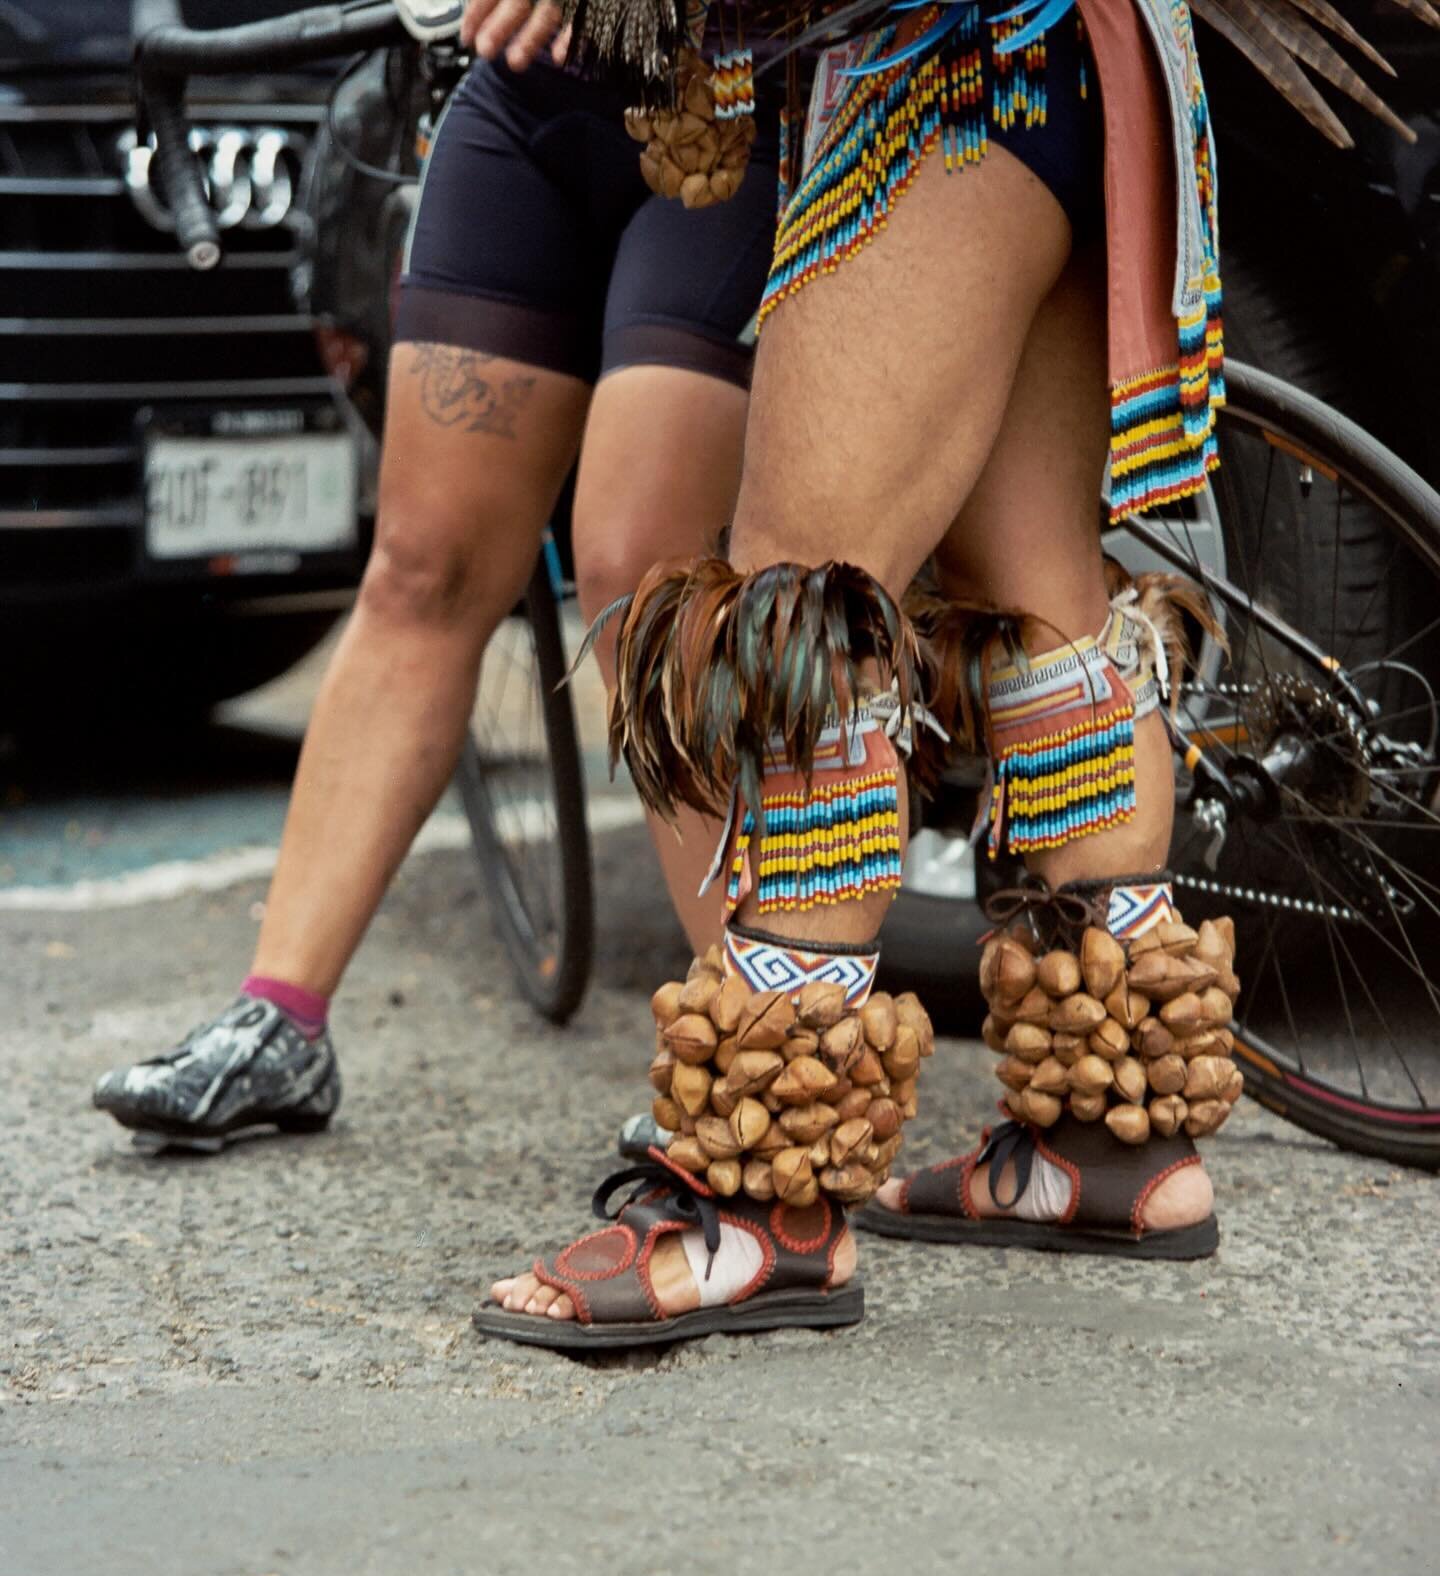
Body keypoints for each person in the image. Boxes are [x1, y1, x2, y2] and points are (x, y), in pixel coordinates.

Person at [477, 0, 1417, 1346]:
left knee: (806, 587)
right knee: (1036, 606)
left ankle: (760, 1213)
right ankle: (1108, 1146)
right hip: (1054, 73)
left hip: (952, 63)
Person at [92, 0, 783, 1150]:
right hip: (522, 94)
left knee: (639, 566)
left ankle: (766, 1048)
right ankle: (279, 1021)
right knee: (423, 563)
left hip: (731, 97)